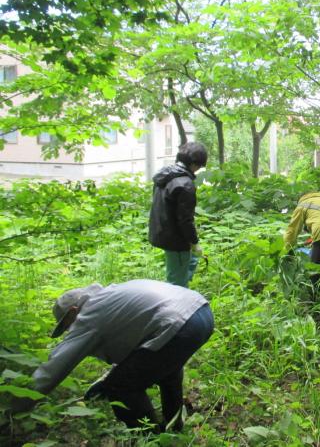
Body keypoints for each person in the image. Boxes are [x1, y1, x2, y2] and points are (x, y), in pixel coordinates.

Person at [11, 279, 214, 431]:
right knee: (165, 367)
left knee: (120, 387)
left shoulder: (88, 315)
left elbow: (55, 367)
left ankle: (153, 439)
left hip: (180, 325)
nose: (69, 330)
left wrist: (15, 404)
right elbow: (136, 350)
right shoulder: (110, 295)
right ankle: (174, 425)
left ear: (73, 311)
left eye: (66, 325)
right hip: (201, 311)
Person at [149, 141, 208, 287]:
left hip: (161, 231)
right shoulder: (185, 184)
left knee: (192, 259)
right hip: (175, 239)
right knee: (177, 283)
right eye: (199, 166)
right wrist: (194, 242)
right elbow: (185, 220)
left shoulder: (165, 174)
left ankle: (181, 284)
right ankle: (177, 303)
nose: (198, 169)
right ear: (194, 163)